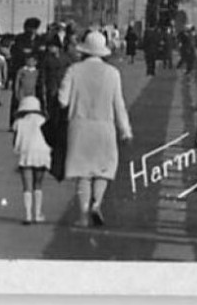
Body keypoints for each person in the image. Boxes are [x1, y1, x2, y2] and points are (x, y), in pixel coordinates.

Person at [57, 29, 133, 228]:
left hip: (79, 126)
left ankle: (82, 214)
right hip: (104, 127)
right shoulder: (112, 73)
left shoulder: (74, 70)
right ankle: (97, 204)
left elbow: (62, 101)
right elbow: (119, 105)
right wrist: (125, 131)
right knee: (102, 170)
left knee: (82, 172)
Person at [12, 95, 51, 224]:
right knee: (38, 184)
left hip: (26, 153)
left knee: (27, 186)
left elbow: (15, 142)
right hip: (42, 153)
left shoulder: (19, 122)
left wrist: (17, 150)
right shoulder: (43, 120)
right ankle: (37, 213)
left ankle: (28, 214)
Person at [11, 49, 41, 122]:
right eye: (29, 60)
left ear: (35, 62)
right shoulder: (22, 70)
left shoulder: (36, 72)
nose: (30, 62)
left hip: (32, 92)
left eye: (32, 61)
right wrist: (16, 91)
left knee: (30, 107)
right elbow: (17, 82)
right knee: (21, 107)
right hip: (22, 91)